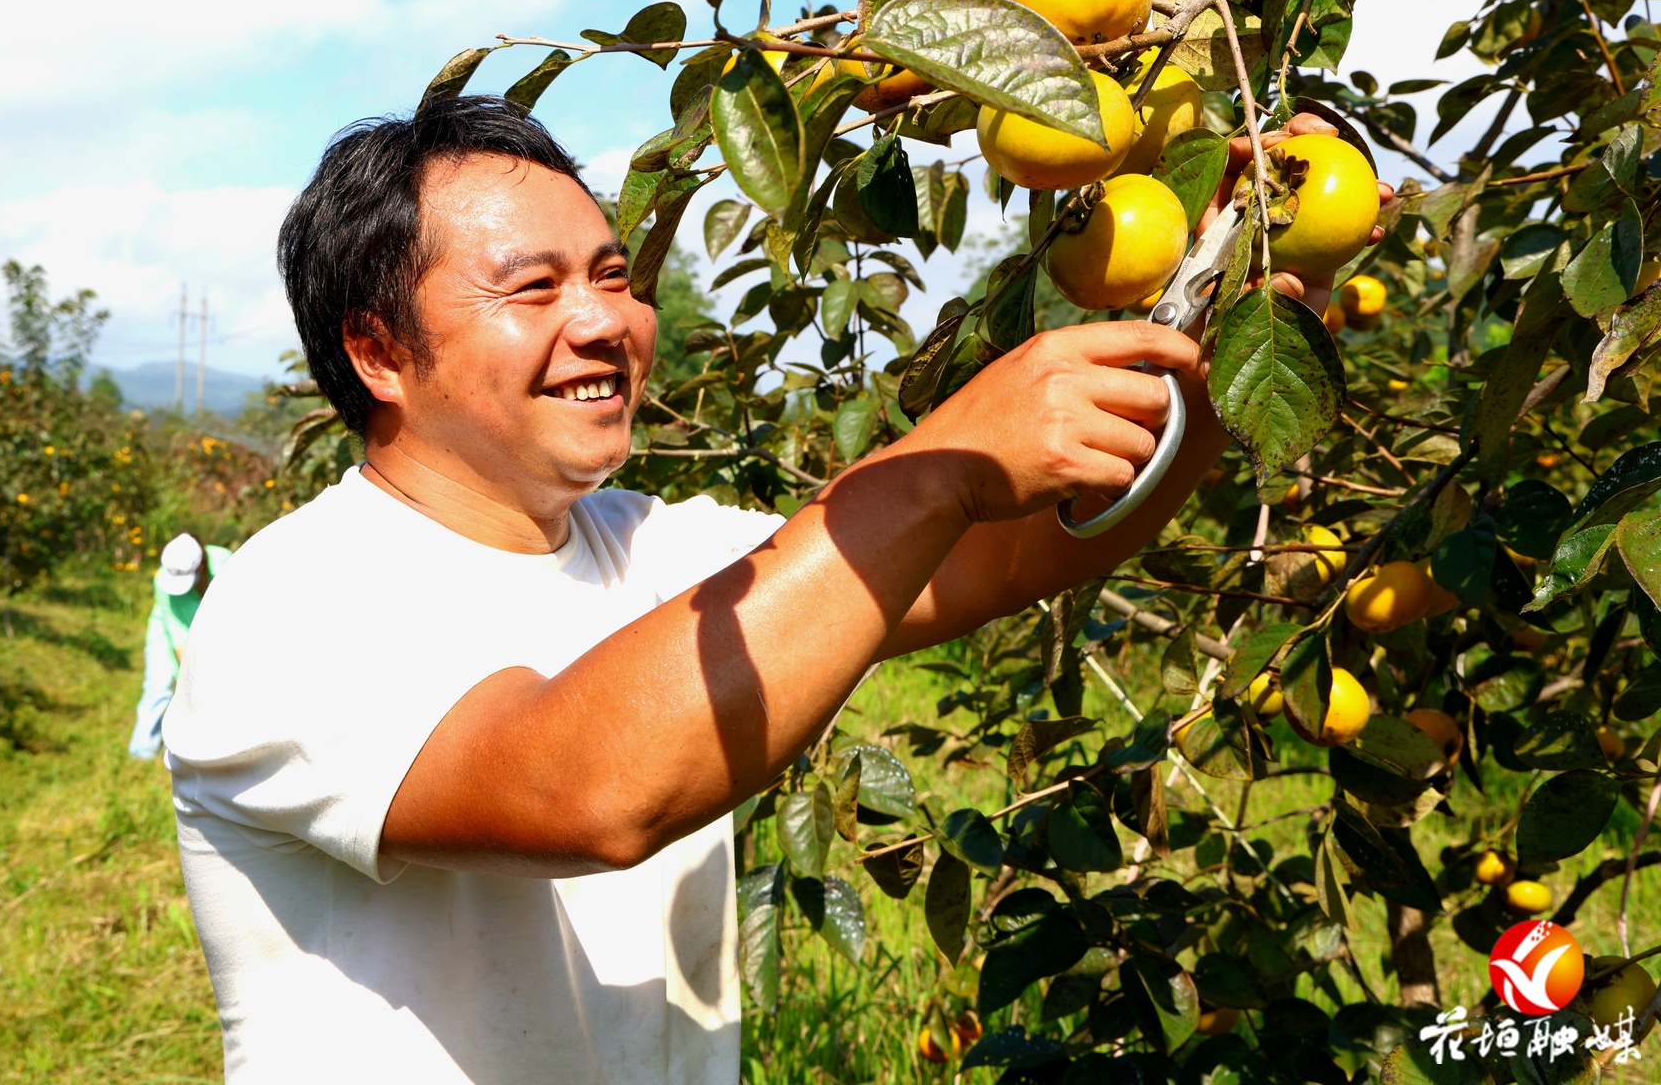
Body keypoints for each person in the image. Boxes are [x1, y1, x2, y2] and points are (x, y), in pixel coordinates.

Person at [163, 95, 1387, 1082]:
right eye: (533, 289)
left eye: (612, 274)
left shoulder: (654, 545)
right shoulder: (292, 605)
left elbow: (1013, 554)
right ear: (379, 350)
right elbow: (587, 792)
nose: (605, 322)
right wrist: (933, 468)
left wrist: (1249, 306)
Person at [128, 531, 230, 760]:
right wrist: (193, 678)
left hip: (215, 627)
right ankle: (141, 752)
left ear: (201, 566)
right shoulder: (162, 583)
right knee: (158, 685)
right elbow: (178, 635)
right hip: (169, 624)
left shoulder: (226, 562)